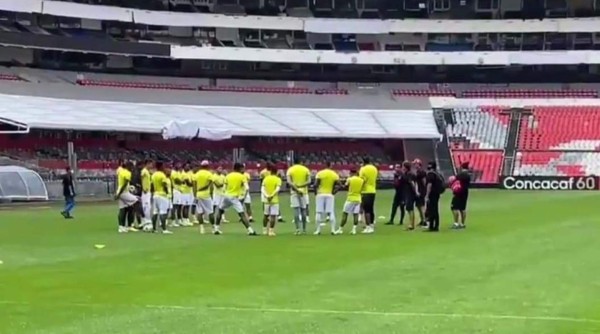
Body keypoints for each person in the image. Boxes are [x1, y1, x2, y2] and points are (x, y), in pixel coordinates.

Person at [214, 162, 257, 236]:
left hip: (226, 196)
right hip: (234, 197)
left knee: (220, 211)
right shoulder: (242, 176)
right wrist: (243, 197)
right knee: (241, 213)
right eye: (242, 168)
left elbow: (224, 187)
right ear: (240, 168)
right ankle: (250, 230)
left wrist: (224, 194)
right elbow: (247, 188)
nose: (243, 170)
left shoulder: (228, 176)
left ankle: (216, 229)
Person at [313, 162, 340, 235]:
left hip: (320, 193)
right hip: (329, 194)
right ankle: (333, 230)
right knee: (331, 211)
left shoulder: (320, 173)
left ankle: (318, 230)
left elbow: (315, 185)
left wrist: (315, 193)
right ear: (330, 165)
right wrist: (334, 192)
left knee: (318, 212)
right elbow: (340, 185)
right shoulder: (334, 174)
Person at [286, 158, 311, 234]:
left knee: (296, 210)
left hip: (294, 192)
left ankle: (297, 229)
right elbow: (309, 181)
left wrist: (296, 188)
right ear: (301, 162)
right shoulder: (306, 169)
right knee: (303, 210)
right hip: (304, 192)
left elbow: (289, 182)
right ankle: (304, 229)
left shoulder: (290, 170)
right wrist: (301, 186)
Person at [115, 161, 139, 233]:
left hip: (121, 191)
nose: (132, 169)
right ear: (129, 166)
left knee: (123, 209)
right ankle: (131, 225)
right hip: (124, 192)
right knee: (137, 201)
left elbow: (119, 182)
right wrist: (119, 194)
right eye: (132, 167)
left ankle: (121, 227)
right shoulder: (127, 173)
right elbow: (125, 184)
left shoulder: (121, 171)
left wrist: (117, 192)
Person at [338, 169, 364, 235]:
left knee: (345, 214)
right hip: (358, 199)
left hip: (350, 198)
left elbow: (345, 186)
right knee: (356, 214)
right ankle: (354, 229)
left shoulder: (350, 179)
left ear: (352, 173)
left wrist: (339, 185)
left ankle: (340, 229)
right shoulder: (361, 180)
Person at [150, 161, 173, 234]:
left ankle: (154, 229)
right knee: (163, 212)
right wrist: (166, 192)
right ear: (160, 166)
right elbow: (164, 184)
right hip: (162, 195)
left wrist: (153, 192)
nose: (164, 167)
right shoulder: (162, 175)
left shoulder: (153, 175)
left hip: (155, 194)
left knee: (155, 212)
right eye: (163, 166)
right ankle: (164, 229)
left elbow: (152, 186)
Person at [194, 160, 214, 234]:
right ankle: (213, 227)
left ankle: (202, 228)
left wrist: (195, 195)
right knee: (210, 212)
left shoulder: (197, 174)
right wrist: (211, 194)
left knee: (200, 212)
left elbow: (194, 186)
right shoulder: (209, 174)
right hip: (206, 195)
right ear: (207, 166)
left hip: (198, 195)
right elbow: (210, 185)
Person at [261, 164, 282, 236]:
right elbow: (277, 189)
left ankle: (264, 230)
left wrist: (267, 196)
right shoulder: (278, 179)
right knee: (273, 216)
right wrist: (272, 195)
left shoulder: (266, 179)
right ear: (276, 171)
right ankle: (271, 231)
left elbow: (262, 189)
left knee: (265, 215)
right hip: (274, 200)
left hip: (266, 200)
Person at [359, 157, 378, 234]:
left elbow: (362, 180)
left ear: (363, 162)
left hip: (365, 191)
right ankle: (372, 224)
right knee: (371, 209)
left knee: (366, 210)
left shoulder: (363, 169)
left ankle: (368, 227)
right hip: (373, 190)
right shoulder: (374, 168)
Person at [425, 161, 445, 232]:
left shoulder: (430, 174)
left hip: (432, 194)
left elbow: (429, 185)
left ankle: (431, 226)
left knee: (431, 210)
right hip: (437, 193)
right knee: (435, 210)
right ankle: (436, 225)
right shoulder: (437, 173)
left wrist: (427, 195)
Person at [399, 161, 419, 231]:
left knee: (410, 208)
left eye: (403, 166)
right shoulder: (406, 174)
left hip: (410, 193)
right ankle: (411, 223)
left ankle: (412, 224)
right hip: (407, 193)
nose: (402, 168)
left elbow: (413, 183)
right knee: (408, 208)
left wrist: (416, 192)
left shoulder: (410, 174)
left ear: (406, 167)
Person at [452, 162, 471, 229]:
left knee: (454, 208)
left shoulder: (460, 174)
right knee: (462, 208)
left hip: (458, 192)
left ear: (462, 167)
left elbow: (455, 180)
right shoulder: (468, 175)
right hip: (465, 192)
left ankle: (456, 223)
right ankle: (462, 223)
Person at [413, 159, 428, 227]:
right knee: (418, 206)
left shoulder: (422, 172)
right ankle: (422, 220)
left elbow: (424, 182)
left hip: (421, 191)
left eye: (416, 164)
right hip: (418, 190)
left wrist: (424, 191)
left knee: (421, 206)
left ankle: (424, 220)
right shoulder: (417, 172)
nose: (415, 165)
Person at [140, 160, 153, 228]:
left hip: (148, 191)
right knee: (146, 206)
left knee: (148, 206)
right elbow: (141, 178)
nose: (152, 166)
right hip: (145, 191)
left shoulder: (147, 171)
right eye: (150, 164)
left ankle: (147, 220)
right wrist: (143, 187)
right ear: (147, 164)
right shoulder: (144, 171)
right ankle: (146, 220)